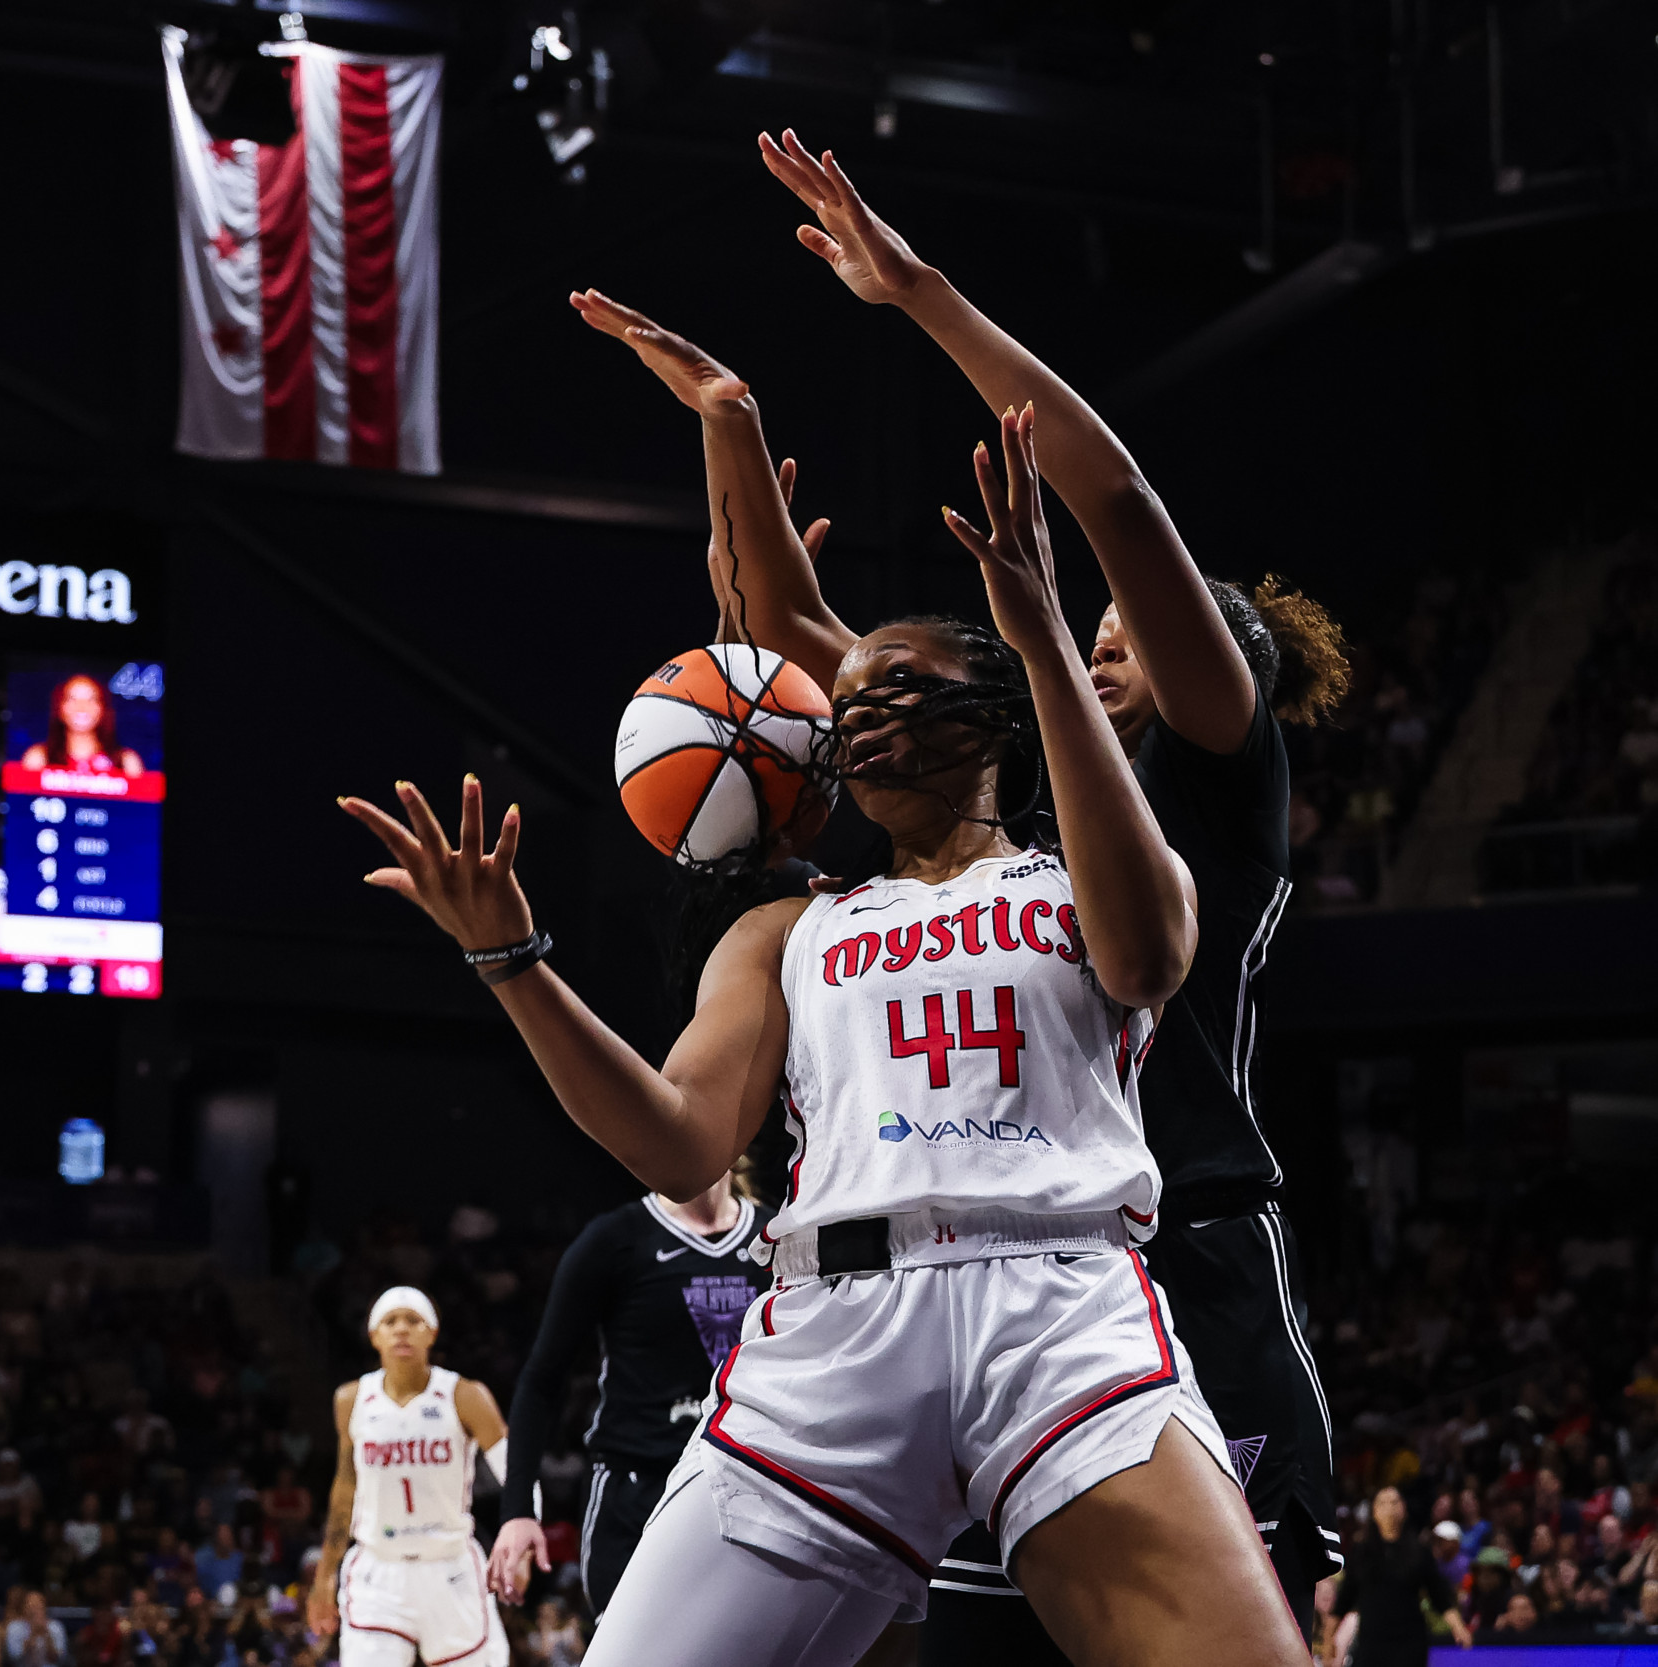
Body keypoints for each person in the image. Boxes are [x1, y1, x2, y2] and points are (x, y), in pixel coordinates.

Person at [339, 399, 1300, 1664]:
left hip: (1060, 1308)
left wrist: (1042, 635)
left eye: (905, 687)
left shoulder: (1089, 871)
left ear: (999, 717)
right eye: (849, 707)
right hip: (833, 1330)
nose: (866, 714)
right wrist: (511, 961)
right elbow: (679, 1146)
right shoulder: (790, 924)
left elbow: (1148, 957)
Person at [636, 129, 1350, 1655]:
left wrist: (924, 298)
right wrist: (733, 433)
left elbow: (1119, 506)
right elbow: (810, 653)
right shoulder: (1015, 810)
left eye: (1130, 634)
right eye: (1079, 632)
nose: (1097, 642)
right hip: (976, 1285)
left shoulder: (1216, 772)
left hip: (1185, 1253)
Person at [488, 1171, 774, 1616]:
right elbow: (542, 1378)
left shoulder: (778, 1237)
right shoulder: (615, 1239)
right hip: (635, 1490)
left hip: (749, 1487)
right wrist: (517, 1510)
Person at [304, 1288, 511, 1667]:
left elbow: (516, 1472)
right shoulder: (351, 1399)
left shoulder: (464, 1395)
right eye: (390, 1321)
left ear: (431, 1333)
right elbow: (345, 1489)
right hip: (379, 1571)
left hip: (448, 1567)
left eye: (413, 1321)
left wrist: (520, 1536)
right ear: (374, 1336)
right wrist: (324, 1577)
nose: (402, 1329)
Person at [1331, 1487, 1473, 1663]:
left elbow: (1439, 1595)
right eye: (1382, 1503)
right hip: (1371, 1643)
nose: (1389, 1508)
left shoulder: (1419, 1551)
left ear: (1404, 1509)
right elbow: (1344, 1599)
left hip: (1410, 1643)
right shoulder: (1361, 1552)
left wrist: (1458, 1627)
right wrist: (1329, 1637)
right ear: (1374, 1512)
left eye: (1395, 1502)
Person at [18, 676, 143, 778]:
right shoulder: (38, 758)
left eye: (91, 699)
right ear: (60, 708)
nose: (82, 708)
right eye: (72, 699)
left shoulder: (126, 761)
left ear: (102, 709)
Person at [2, 1591, 65, 1666]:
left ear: (44, 1607)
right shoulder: (14, 1627)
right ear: (24, 1607)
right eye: (31, 1605)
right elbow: (14, 1656)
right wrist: (32, 1635)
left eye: (37, 1605)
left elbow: (60, 1659)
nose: (34, 1610)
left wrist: (46, 1635)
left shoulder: (55, 1626)